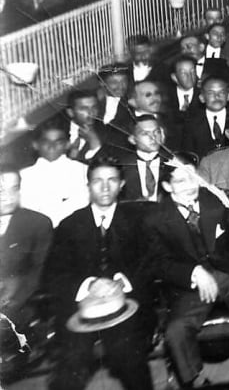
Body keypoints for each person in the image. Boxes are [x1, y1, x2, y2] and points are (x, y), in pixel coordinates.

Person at [146, 158, 229, 384]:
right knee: (176, 330)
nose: (190, 184)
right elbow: (158, 263)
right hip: (191, 287)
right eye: (181, 180)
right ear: (167, 186)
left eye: (193, 177)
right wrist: (192, 272)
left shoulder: (218, 201)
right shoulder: (155, 219)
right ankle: (196, 381)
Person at [42, 158, 154, 390]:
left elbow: (151, 264)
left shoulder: (140, 220)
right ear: (88, 186)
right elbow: (53, 275)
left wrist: (122, 283)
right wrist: (89, 284)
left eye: (112, 180)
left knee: (130, 356)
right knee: (72, 361)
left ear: (122, 184)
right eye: (97, 181)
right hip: (80, 310)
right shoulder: (70, 225)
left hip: (129, 307)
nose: (104, 188)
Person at [0, 170, 54, 328]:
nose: (9, 196)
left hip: (20, 305)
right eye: (0, 190)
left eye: (14, 188)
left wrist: (11, 299)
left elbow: (39, 273)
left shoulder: (37, 224)